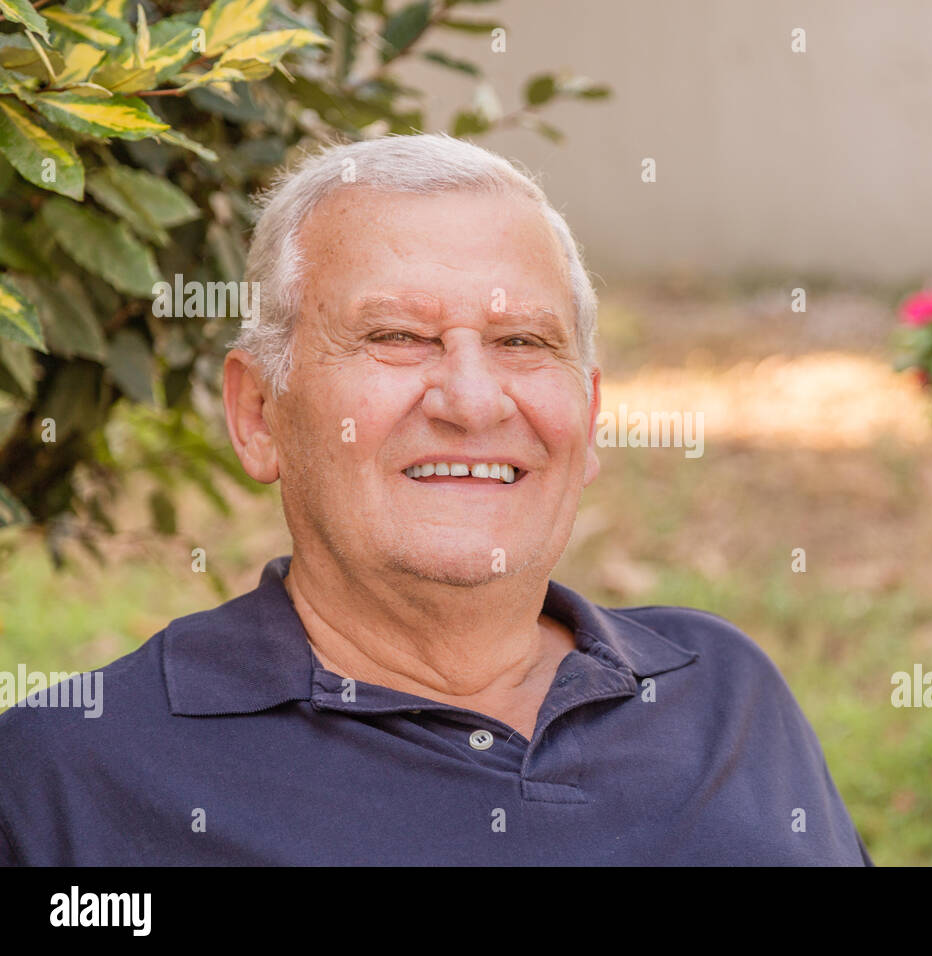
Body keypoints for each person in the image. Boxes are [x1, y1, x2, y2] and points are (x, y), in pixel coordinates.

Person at [0, 133, 870, 866]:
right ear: (260, 413)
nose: (472, 399)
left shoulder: (723, 693)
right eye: (398, 337)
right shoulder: (70, 776)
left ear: (590, 417)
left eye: (522, 341)